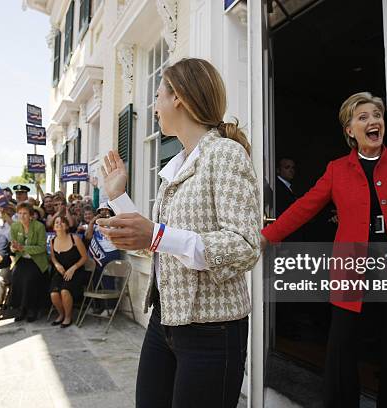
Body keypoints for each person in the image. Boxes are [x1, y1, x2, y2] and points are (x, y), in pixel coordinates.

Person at [261, 92, 387, 408]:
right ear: (349, 130)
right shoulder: (337, 170)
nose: (373, 121)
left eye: (376, 115)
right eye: (363, 117)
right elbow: (304, 207)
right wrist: (267, 236)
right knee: (341, 352)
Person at [98, 58, 261, 408]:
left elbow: (246, 245)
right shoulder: (174, 167)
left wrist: (156, 235)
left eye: (157, 95)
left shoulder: (225, 154)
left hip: (213, 331)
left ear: (179, 98)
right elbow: (158, 241)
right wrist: (118, 198)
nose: (154, 106)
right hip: (163, 321)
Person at [9, 202, 48, 322]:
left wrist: (24, 248)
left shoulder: (39, 226)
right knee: (16, 277)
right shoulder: (15, 226)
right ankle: (21, 308)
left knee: (30, 279)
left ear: (31, 215)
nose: (22, 216)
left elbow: (42, 247)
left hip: (36, 261)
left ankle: (32, 309)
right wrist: (14, 248)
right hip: (21, 259)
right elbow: (12, 246)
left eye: (25, 213)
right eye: (20, 213)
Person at [49, 215, 88, 327]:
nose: (59, 224)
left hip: (76, 271)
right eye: (56, 222)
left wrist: (73, 268)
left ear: (66, 226)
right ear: (54, 227)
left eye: (62, 222)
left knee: (65, 291)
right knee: (54, 294)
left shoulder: (74, 238)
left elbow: (85, 257)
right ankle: (61, 314)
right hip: (61, 272)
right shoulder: (52, 241)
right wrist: (57, 265)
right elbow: (52, 257)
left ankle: (68, 317)